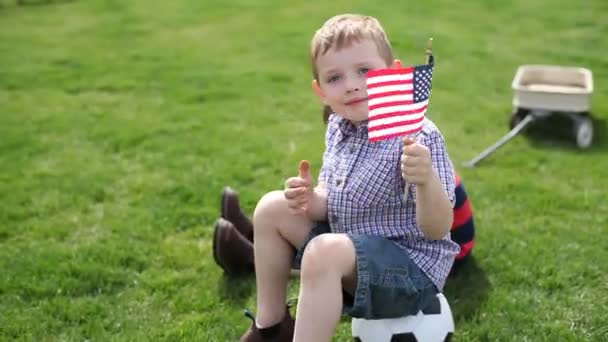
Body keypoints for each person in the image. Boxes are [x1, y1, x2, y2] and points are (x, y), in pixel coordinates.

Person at [223, 14, 463, 341]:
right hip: (351, 257)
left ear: (393, 72)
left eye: (364, 71)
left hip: (409, 273)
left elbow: (438, 229)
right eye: (335, 77)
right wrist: (311, 200)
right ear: (320, 90)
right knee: (270, 208)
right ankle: (271, 327)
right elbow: (330, 205)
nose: (351, 84)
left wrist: (425, 181)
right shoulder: (339, 127)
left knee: (324, 250)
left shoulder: (419, 137)